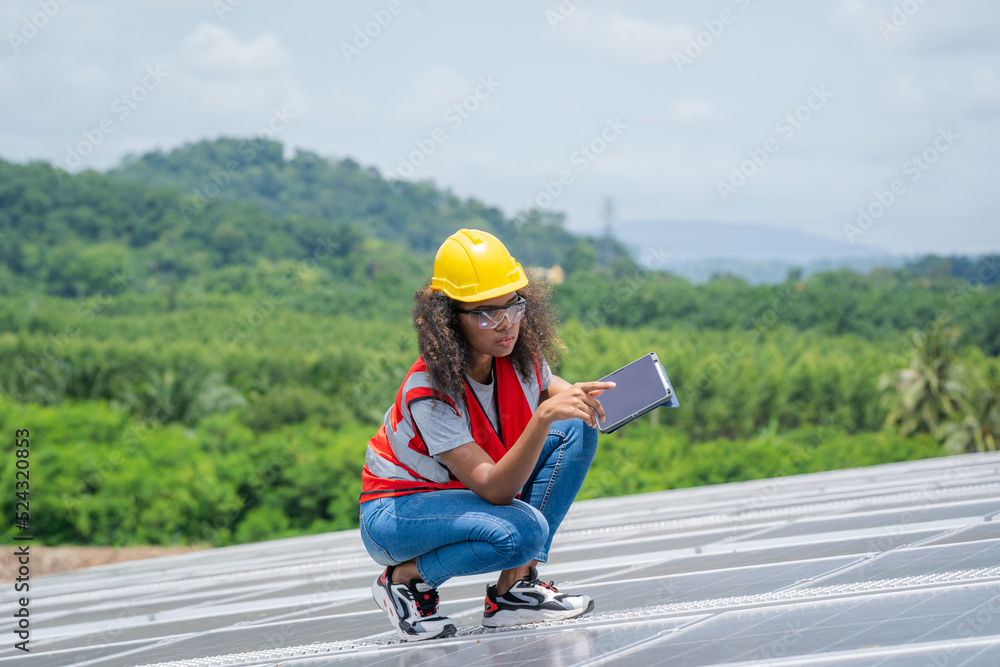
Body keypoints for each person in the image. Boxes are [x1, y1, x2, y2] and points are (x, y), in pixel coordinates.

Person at [359, 228, 615, 642]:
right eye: (484, 312)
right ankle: (405, 580)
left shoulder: (519, 362)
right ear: (449, 320)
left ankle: (513, 590)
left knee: (576, 426)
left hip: (455, 499)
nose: (504, 324)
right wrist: (542, 416)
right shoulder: (429, 391)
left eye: (512, 307)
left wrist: (606, 403)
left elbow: (566, 408)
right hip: (397, 515)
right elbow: (495, 490)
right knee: (522, 530)